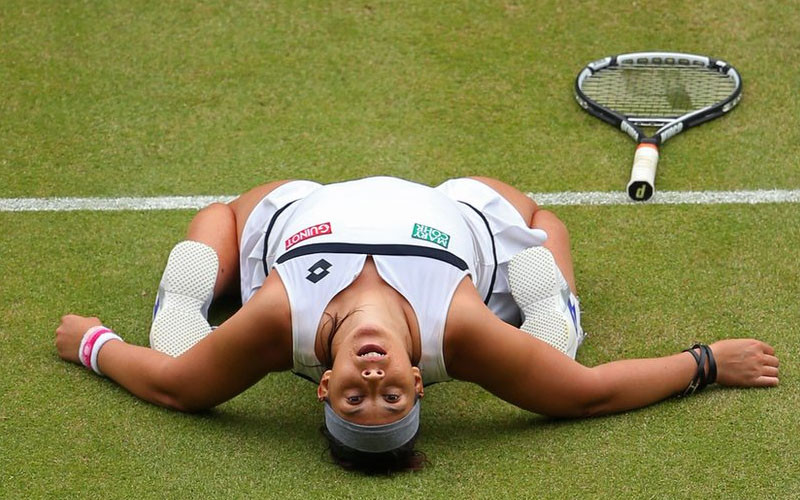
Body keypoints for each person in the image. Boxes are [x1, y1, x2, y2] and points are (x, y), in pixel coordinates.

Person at [55, 176, 780, 474]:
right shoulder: (453, 329)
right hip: (461, 218)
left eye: (355, 399)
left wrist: (93, 345)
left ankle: (178, 306)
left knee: (206, 250)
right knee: (539, 246)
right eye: (390, 399)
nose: (373, 383)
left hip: (303, 208)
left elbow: (180, 389)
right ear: (418, 385)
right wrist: (706, 362)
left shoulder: (282, 318)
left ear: (324, 385)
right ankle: (554, 312)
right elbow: (580, 396)